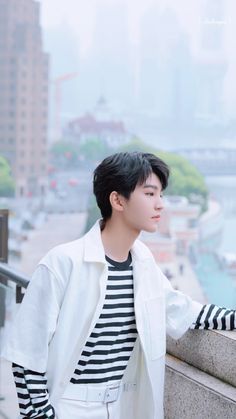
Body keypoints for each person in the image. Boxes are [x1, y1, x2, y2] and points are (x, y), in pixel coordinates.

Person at [1, 151, 236, 419]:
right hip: (70, 406)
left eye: (161, 195)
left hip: (123, 405)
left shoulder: (143, 262)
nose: (160, 204)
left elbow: (185, 311)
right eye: (149, 194)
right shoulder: (62, 262)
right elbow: (26, 357)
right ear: (117, 200)